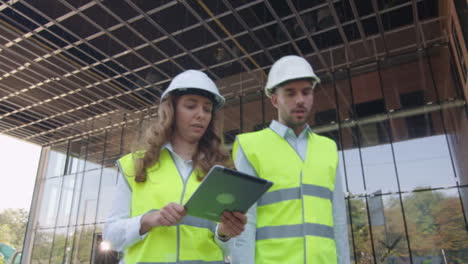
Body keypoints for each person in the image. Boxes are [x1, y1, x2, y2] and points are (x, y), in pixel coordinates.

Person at [104, 70, 247, 264]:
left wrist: (224, 234)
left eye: (207, 109)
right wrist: (148, 220)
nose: (201, 115)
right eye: (190, 106)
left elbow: (228, 247)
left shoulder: (220, 170)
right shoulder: (135, 164)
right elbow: (111, 237)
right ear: (171, 110)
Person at [231, 55, 351, 264]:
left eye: (306, 92)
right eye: (290, 93)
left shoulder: (328, 148)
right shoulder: (250, 146)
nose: (300, 100)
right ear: (274, 99)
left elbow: (339, 221)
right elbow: (244, 225)